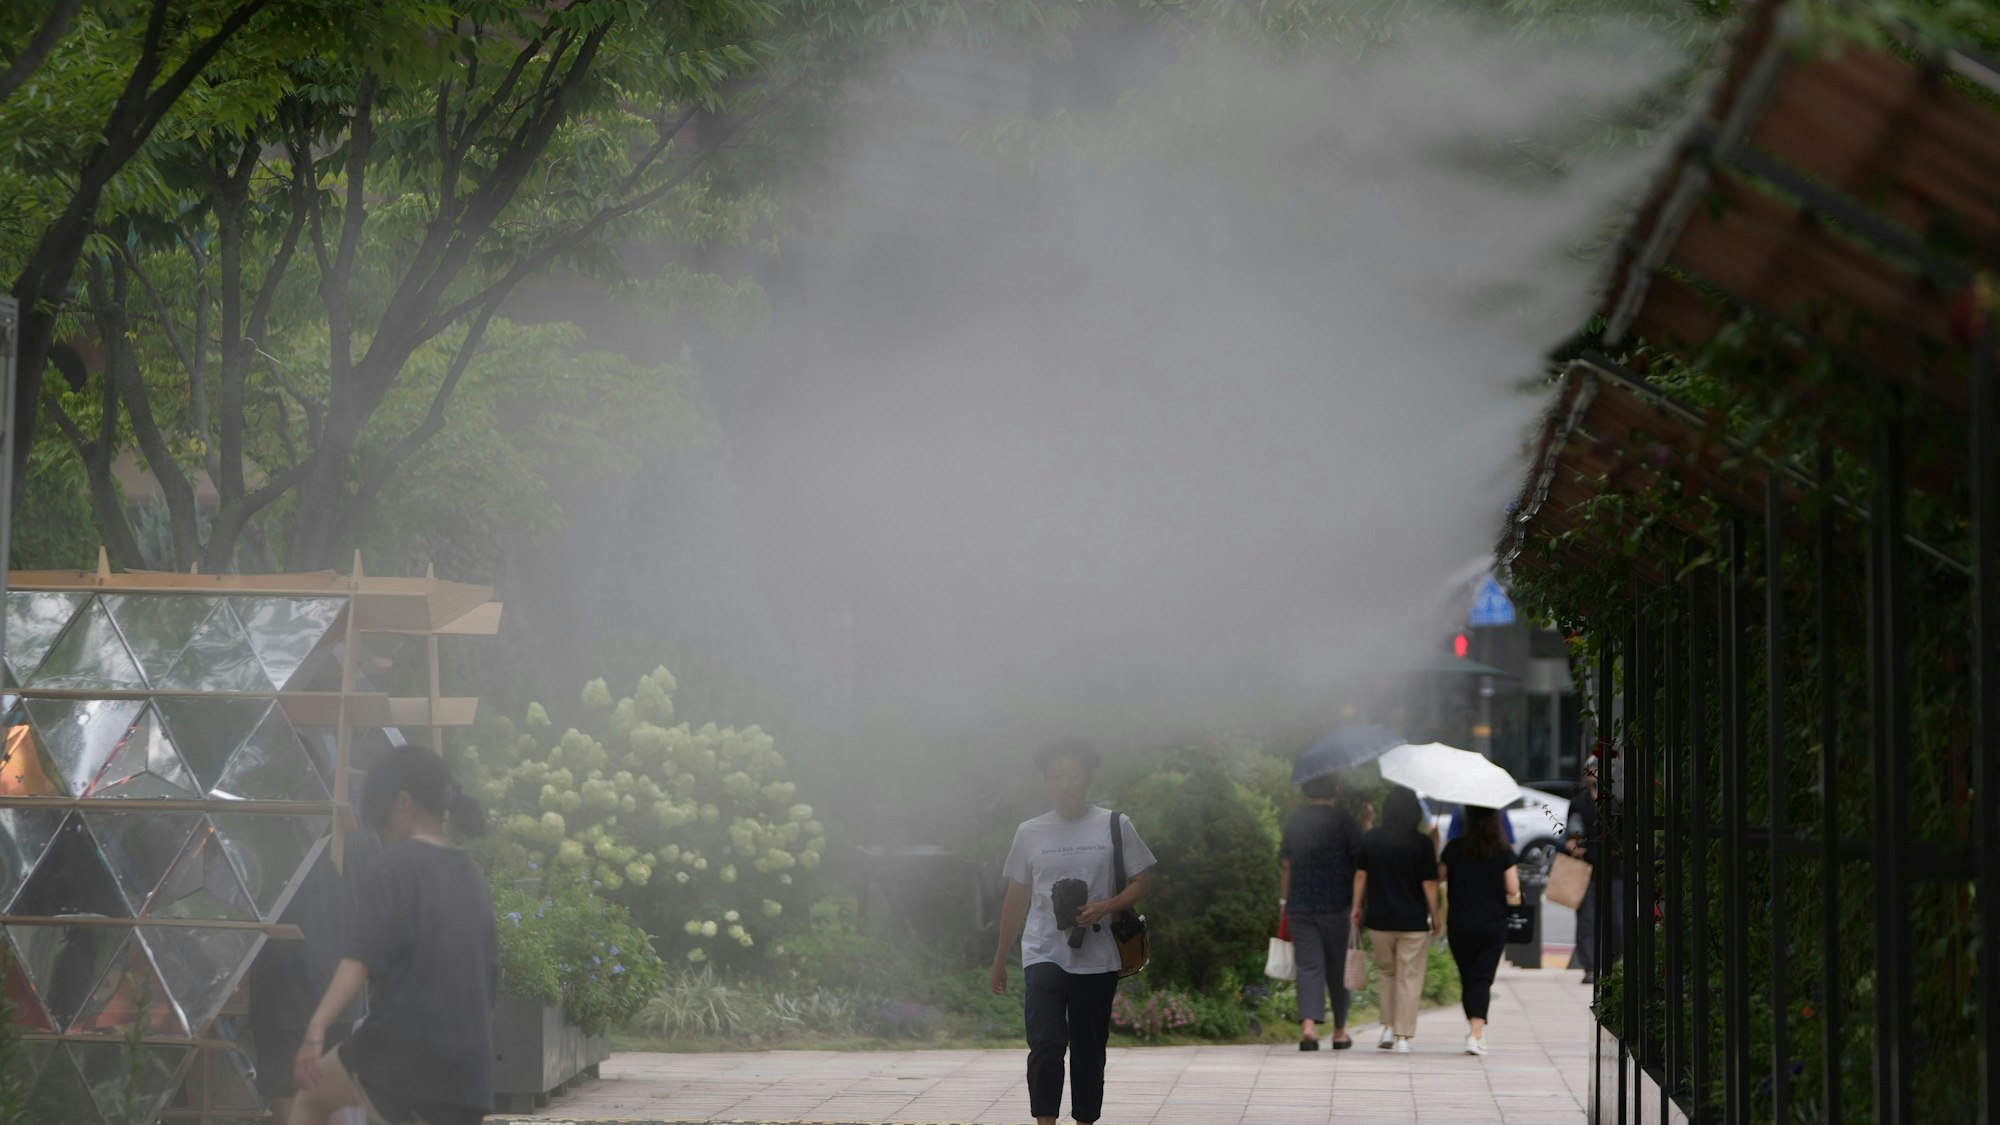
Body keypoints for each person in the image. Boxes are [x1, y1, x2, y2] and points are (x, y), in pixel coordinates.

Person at [289, 747, 499, 1125]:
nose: (382, 833)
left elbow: (360, 957)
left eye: (382, 818)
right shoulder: (472, 874)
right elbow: (490, 980)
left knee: (309, 1099)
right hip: (470, 1075)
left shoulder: (392, 865)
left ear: (404, 803)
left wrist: (316, 1028)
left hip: (401, 1058)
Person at [991, 740, 1156, 1125]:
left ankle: (1085, 1120)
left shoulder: (1115, 824)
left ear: (1087, 778)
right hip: (1043, 951)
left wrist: (1105, 905)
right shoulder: (1030, 832)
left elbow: (1142, 882)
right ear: (1046, 783)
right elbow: (1015, 897)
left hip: (1097, 957)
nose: (1064, 784)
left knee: (1088, 1048)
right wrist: (1000, 958)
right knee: (1046, 1044)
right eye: (1055, 777)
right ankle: (1045, 1122)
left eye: (1072, 776)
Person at [1350, 787, 1439, 1054]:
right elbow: (1430, 884)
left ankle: (1387, 1027)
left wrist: (1356, 907)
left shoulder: (1373, 839)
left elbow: (1361, 876)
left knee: (1387, 974)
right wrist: (1435, 916)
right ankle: (1403, 1037)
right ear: (1414, 812)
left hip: (1379, 920)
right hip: (1412, 922)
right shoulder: (1421, 843)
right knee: (1409, 978)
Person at [1278, 773, 1363, 1050]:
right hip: (1338, 906)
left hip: (1300, 905)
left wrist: (1285, 900)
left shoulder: (1296, 820)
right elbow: (1360, 861)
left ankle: (1309, 1029)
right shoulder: (1344, 821)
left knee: (1309, 966)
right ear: (1334, 790)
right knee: (1338, 968)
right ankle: (1339, 1032)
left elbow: (1287, 863)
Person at [1438, 805, 1520, 1057]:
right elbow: (1513, 889)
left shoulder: (1454, 850)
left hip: (1460, 923)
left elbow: (1438, 876)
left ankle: (1474, 1030)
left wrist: (1435, 844)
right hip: (1491, 924)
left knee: (1468, 977)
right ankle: (1476, 1034)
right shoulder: (1502, 851)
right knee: (1482, 978)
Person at [1565, 756, 1620, 985]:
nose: (1593, 772)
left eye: (1598, 768)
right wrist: (1574, 845)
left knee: (1618, 919)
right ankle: (1589, 966)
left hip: (1617, 869)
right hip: (1587, 870)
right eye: (1590, 768)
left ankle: (1614, 963)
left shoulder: (1618, 801)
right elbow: (1571, 836)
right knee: (1587, 919)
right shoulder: (1579, 803)